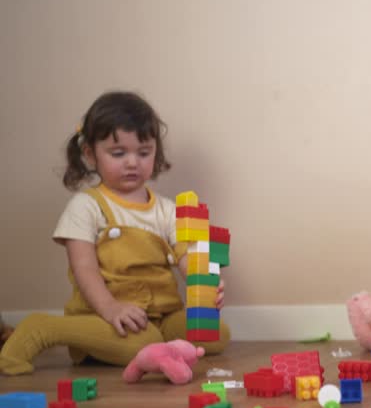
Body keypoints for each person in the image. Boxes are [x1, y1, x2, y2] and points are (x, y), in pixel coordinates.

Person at [0, 91, 230, 375]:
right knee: (141, 344)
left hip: (162, 314)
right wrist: (110, 308)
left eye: (143, 152)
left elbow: (187, 255)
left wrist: (205, 288)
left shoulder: (167, 210)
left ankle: (161, 346)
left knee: (217, 334)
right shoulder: (86, 205)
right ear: (90, 154)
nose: (132, 162)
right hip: (105, 315)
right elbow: (84, 268)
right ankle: (42, 328)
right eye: (118, 153)